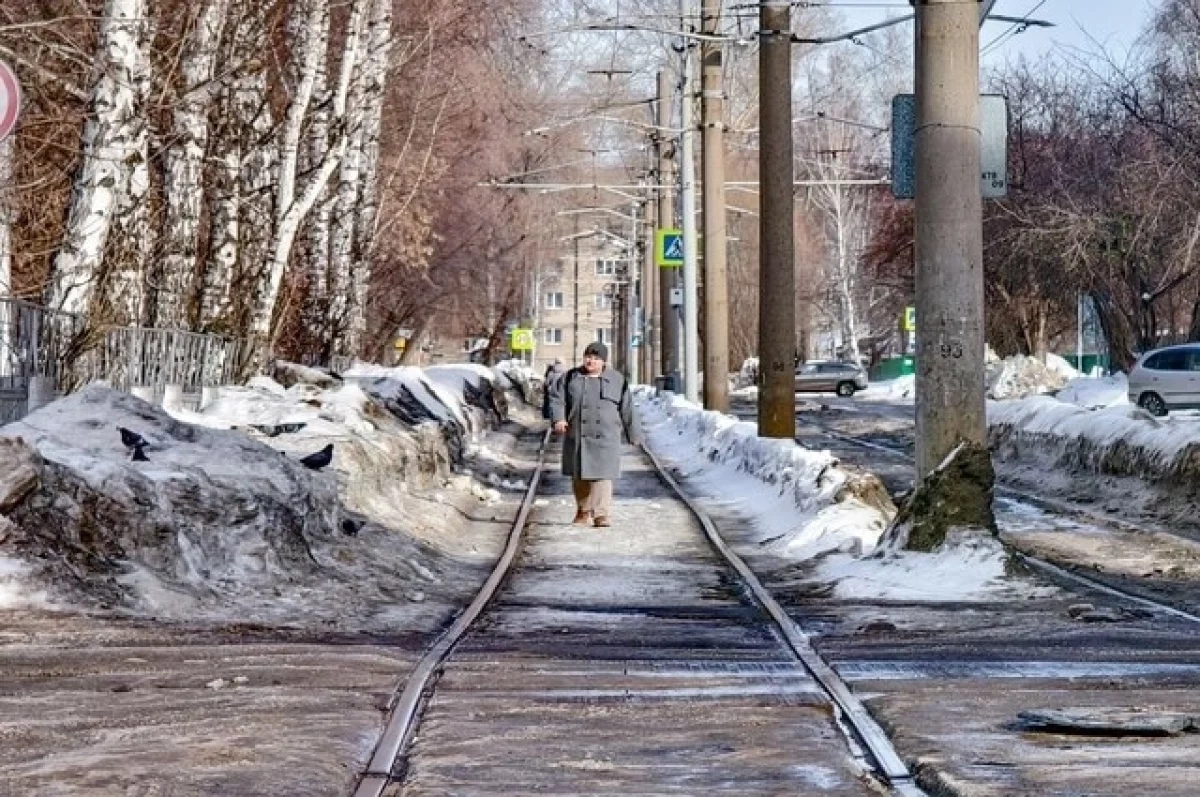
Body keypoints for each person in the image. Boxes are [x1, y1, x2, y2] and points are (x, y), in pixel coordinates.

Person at [549, 342, 641, 528]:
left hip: (606, 436)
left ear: (604, 361)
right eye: (588, 357)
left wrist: (634, 433)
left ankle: (601, 514)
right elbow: (556, 399)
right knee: (579, 475)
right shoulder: (570, 378)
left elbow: (628, 409)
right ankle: (583, 511)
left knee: (603, 476)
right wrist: (558, 419)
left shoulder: (617, 380)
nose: (591, 361)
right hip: (578, 434)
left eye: (596, 358)